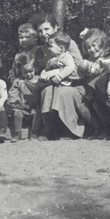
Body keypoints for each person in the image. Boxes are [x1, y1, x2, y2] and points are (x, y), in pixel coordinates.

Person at [30, 13, 88, 141]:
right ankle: (49, 127)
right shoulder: (42, 49)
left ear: (55, 28)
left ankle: (69, 129)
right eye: (40, 31)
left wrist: (56, 73)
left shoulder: (66, 43)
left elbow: (79, 70)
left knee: (62, 92)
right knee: (47, 91)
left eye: (46, 29)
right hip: (53, 84)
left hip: (73, 85)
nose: (43, 33)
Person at [77, 28, 110, 139]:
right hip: (93, 93)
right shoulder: (90, 60)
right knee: (83, 108)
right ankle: (99, 128)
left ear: (102, 43)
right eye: (88, 47)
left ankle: (108, 129)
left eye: (94, 45)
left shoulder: (109, 56)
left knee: (98, 106)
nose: (91, 50)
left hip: (105, 91)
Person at [6, 52, 40, 141]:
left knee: (38, 113)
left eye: (31, 71)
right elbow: (12, 94)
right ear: (20, 70)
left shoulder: (39, 80)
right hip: (21, 107)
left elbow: (41, 94)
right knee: (17, 113)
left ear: (35, 68)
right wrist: (17, 102)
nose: (28, 74)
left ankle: (34, 133)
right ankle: (17, 133)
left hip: (33, 108)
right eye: (25, 72)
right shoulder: (18, 81)